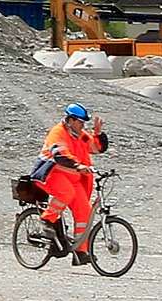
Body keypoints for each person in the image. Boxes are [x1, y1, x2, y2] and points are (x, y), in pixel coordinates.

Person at [36, 102, 108, 264]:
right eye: (81, 122)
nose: (83, 126)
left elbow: (95, 148)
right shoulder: (58, 132)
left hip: (72, 177)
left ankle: (80, 251)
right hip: (52, 173)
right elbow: (60, 154)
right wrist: (78, 165)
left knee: (84, 211)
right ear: (71, 120)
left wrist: (98, 133)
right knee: (66, 193)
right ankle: (47, 219)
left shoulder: (79, 134)